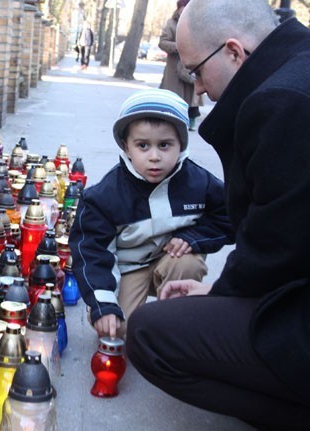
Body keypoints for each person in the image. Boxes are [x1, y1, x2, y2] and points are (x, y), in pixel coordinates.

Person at [127, 0, 310, 428]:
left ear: (233, 52)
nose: (198, 89)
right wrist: (221, 291)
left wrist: (223, 292)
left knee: (151, 333)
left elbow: (280, 245)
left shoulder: (283, 102)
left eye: (196, 72)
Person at [68, 88, 233, 339]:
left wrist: (194, 237)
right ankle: (127, 316)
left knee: (187, 261)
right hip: (127, 268)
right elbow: (91, 251)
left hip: (171, 261)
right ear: (126, 146)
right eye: (143, 146)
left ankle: (175, 327)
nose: (154, 157)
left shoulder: (198, 182)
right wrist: (103, 303)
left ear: (181, 145)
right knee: (118, 330)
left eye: (165, 145)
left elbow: (229, 216)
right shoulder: (104, 196)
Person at [159, 0, 201, 131]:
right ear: (178, 9)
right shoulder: (171, 24)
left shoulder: (197, 23)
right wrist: (179, 46)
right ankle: (172, 120)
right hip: (174, 68)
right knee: (174, 97)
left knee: (192, 95)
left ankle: (190, 119)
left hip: (192, 66)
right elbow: (162, 42)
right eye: (182, 9)